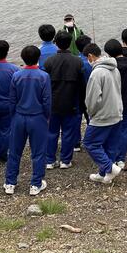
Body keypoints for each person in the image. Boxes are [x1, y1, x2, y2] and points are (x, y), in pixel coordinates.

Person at [5, 45, 51, 196]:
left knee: (15, 151)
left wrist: (13, 116)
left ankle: (10, 182)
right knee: (38, 152)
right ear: (38, 58)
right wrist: (47, 116)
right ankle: (35, 184)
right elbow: (47, 101)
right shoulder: (44, 76)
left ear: (23, 58)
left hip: (19, 116)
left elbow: (12, 99)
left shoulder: (16, 76)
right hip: (37, 117)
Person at [82, 43, 124, 184]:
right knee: (110, 145)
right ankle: (104, 174)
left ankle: (109, 168)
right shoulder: (115, 69)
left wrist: (91, 113)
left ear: (90, 56)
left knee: (90, 143)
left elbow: (93, 99)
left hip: (102, 115)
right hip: (116, 112)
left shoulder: (97, 73)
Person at [44, 30, 85, 169]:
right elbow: (82, 85)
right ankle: (65, 160)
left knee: (51, 132)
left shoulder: (49, 61)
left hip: (53, 103)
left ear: (56, 43)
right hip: (71, 102)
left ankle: (50, 160)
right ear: (70, 43)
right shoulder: (77, 61)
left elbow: (45, 84)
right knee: (68, 132)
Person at [104, 39, 127, 167]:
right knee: (124, 130)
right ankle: (121, 159)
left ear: (108, 53)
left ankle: (111, 158)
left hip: (112, 101)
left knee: (111, 130)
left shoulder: (109, 66)